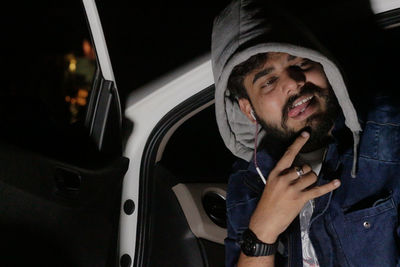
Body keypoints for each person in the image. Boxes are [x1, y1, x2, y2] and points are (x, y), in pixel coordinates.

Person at [211, 0, 400, 266]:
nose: (293, 83)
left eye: (300, 62)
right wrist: (263, 232)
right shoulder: (246, 183)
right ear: (248, 109)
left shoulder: (388, 131)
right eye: (268, 81)